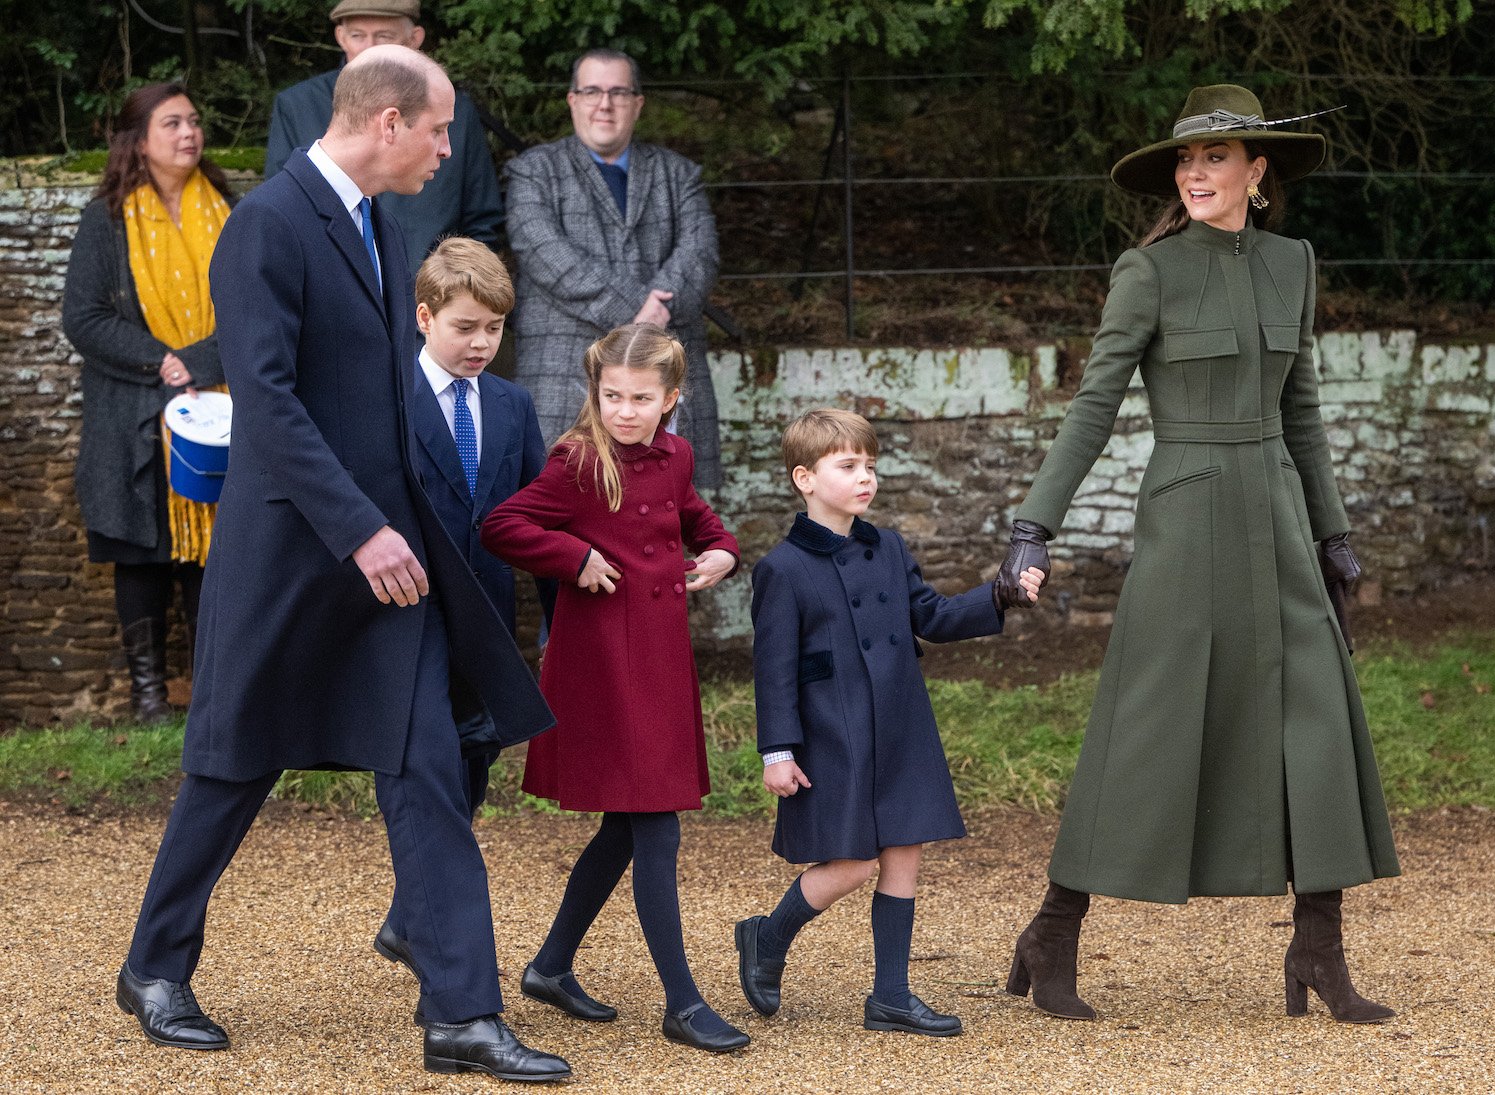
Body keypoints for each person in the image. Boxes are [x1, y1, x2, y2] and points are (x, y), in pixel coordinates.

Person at [114, 45, 570, 1083]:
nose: (451, 150)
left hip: (388, 568)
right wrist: (359, 529)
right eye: (441, 129)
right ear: (390, 122)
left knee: (426, 772)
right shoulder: (268, 225)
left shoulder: (378, 221)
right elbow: (267, 402)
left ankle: (461, 1014)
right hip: (291, 560)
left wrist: (425, 519)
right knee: (233, 768)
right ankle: (152, 967)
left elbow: (381, 394)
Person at [991, 84, 1400, 1024]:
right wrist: (1033, 523)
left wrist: (1334, 535)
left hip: (1282, 518)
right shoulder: (1150, 271)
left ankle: (1318, 946)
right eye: (1187, 160)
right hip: (1186, 517)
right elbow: (1095, 403)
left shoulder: (1294, 262)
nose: (1195, 173)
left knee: (1318, 721)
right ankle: (1053, 929)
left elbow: (1301, 407)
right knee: (1149, 722)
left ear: (1258, 172)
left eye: (1216, 158)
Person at [480, 323, 748, 1053]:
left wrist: (722, 549)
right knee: (655, 823)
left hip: (660, 659)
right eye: (611, 396)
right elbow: (503, 524)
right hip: (602, 663)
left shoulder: (677, 453)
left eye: (639, 398)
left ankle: (550, 965)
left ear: (671, 399)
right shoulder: (576, 459)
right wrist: (574, 555)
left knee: (629, 824)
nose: (624, 411)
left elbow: (690, 514)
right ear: (593, 393)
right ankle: (684, 1002)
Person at [734, 408, 1043, 1037]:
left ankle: (892, 996)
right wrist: (778, 752)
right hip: (832, 735)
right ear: (805, 478)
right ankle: (767, 937)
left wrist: (998, 594)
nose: (864, 478)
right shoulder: (781, 569)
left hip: (900, 723)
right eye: (847, 466)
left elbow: (928, 614)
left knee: (905, 850)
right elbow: (774, 671)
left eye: (870, 466)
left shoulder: (888, 547)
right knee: (852, 863)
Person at [374, 235, 557, 972]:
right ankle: (431, 930)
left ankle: (406, 919)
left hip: (488, 620)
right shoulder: (387, 400)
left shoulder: (513, 405)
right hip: (409, 617)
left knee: (476, 759)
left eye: (495, 328)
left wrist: (555, 620)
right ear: (424, 317)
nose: (482, 342)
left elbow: (538, 519)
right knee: (431, 771)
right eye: (465, 326)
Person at [62, 83, 234, 724]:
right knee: (140, 551)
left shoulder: (232, 212)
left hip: (216, 407)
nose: (189, 133)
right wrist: (160, 359)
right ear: (138, 140)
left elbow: (254, 306)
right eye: (172, 123)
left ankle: (211, 693)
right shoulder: (105, 218)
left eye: (194, 121)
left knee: (210, 554)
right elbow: (83, 317)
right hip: (130, 411)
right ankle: (148, 699)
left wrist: (200, 362)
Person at [505, 48, 723, 489]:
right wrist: (642, 312)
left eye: (618, 92)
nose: (604, 104)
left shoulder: (679, 174)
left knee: (669, 517)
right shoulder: (533, 172)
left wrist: (659, 308)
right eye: (592, 91)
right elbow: (545, 254)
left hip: (665, 377)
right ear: (572, 100)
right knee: (565, 523)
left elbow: (700, 253)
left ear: (638, 103)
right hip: (565, 375)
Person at [264, 0, 503, 264]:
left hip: (434, 293)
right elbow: (284, 208)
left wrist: (452, 291)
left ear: (414, 39)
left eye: (384, 37)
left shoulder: (455, 110)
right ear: (340, 37)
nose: (370, 48)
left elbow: (482, 220)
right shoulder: (298, 106)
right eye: (357, 36)